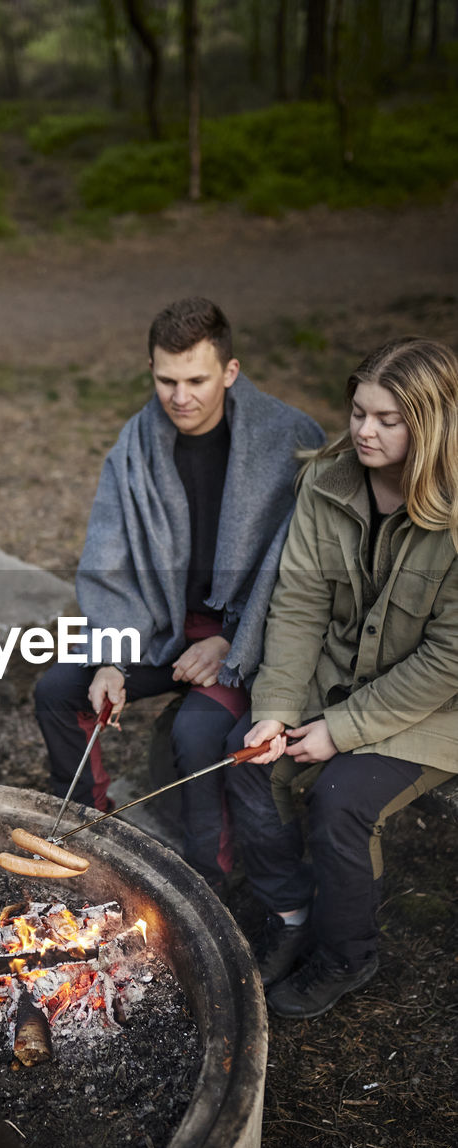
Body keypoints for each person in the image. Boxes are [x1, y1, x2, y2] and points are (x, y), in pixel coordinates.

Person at [34, 297, 324, 894]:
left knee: (197, 734)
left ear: (231, 371)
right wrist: (113, 657)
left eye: (196, 379)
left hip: (248, 635)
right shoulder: (137, 442)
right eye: (165, 380)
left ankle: (204, 888)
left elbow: (300, 571)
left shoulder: (290, 438)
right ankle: (92, 834)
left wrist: (229, 639)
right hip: (162, 627)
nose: (180, 397)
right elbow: (109, 561)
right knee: (59, 690)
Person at [225, 335, 458, 1018]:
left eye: (388, 420)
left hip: (434, 709)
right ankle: (289, 910)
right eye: (358, 411)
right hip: (339, 679)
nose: (363, 431)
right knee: (246, 756)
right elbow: (296, 608)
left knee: (339, 801)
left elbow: (447, 659)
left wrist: (342, 729)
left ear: (433, 423)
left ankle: (346, 953)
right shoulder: (325, 485)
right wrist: (273, 708)